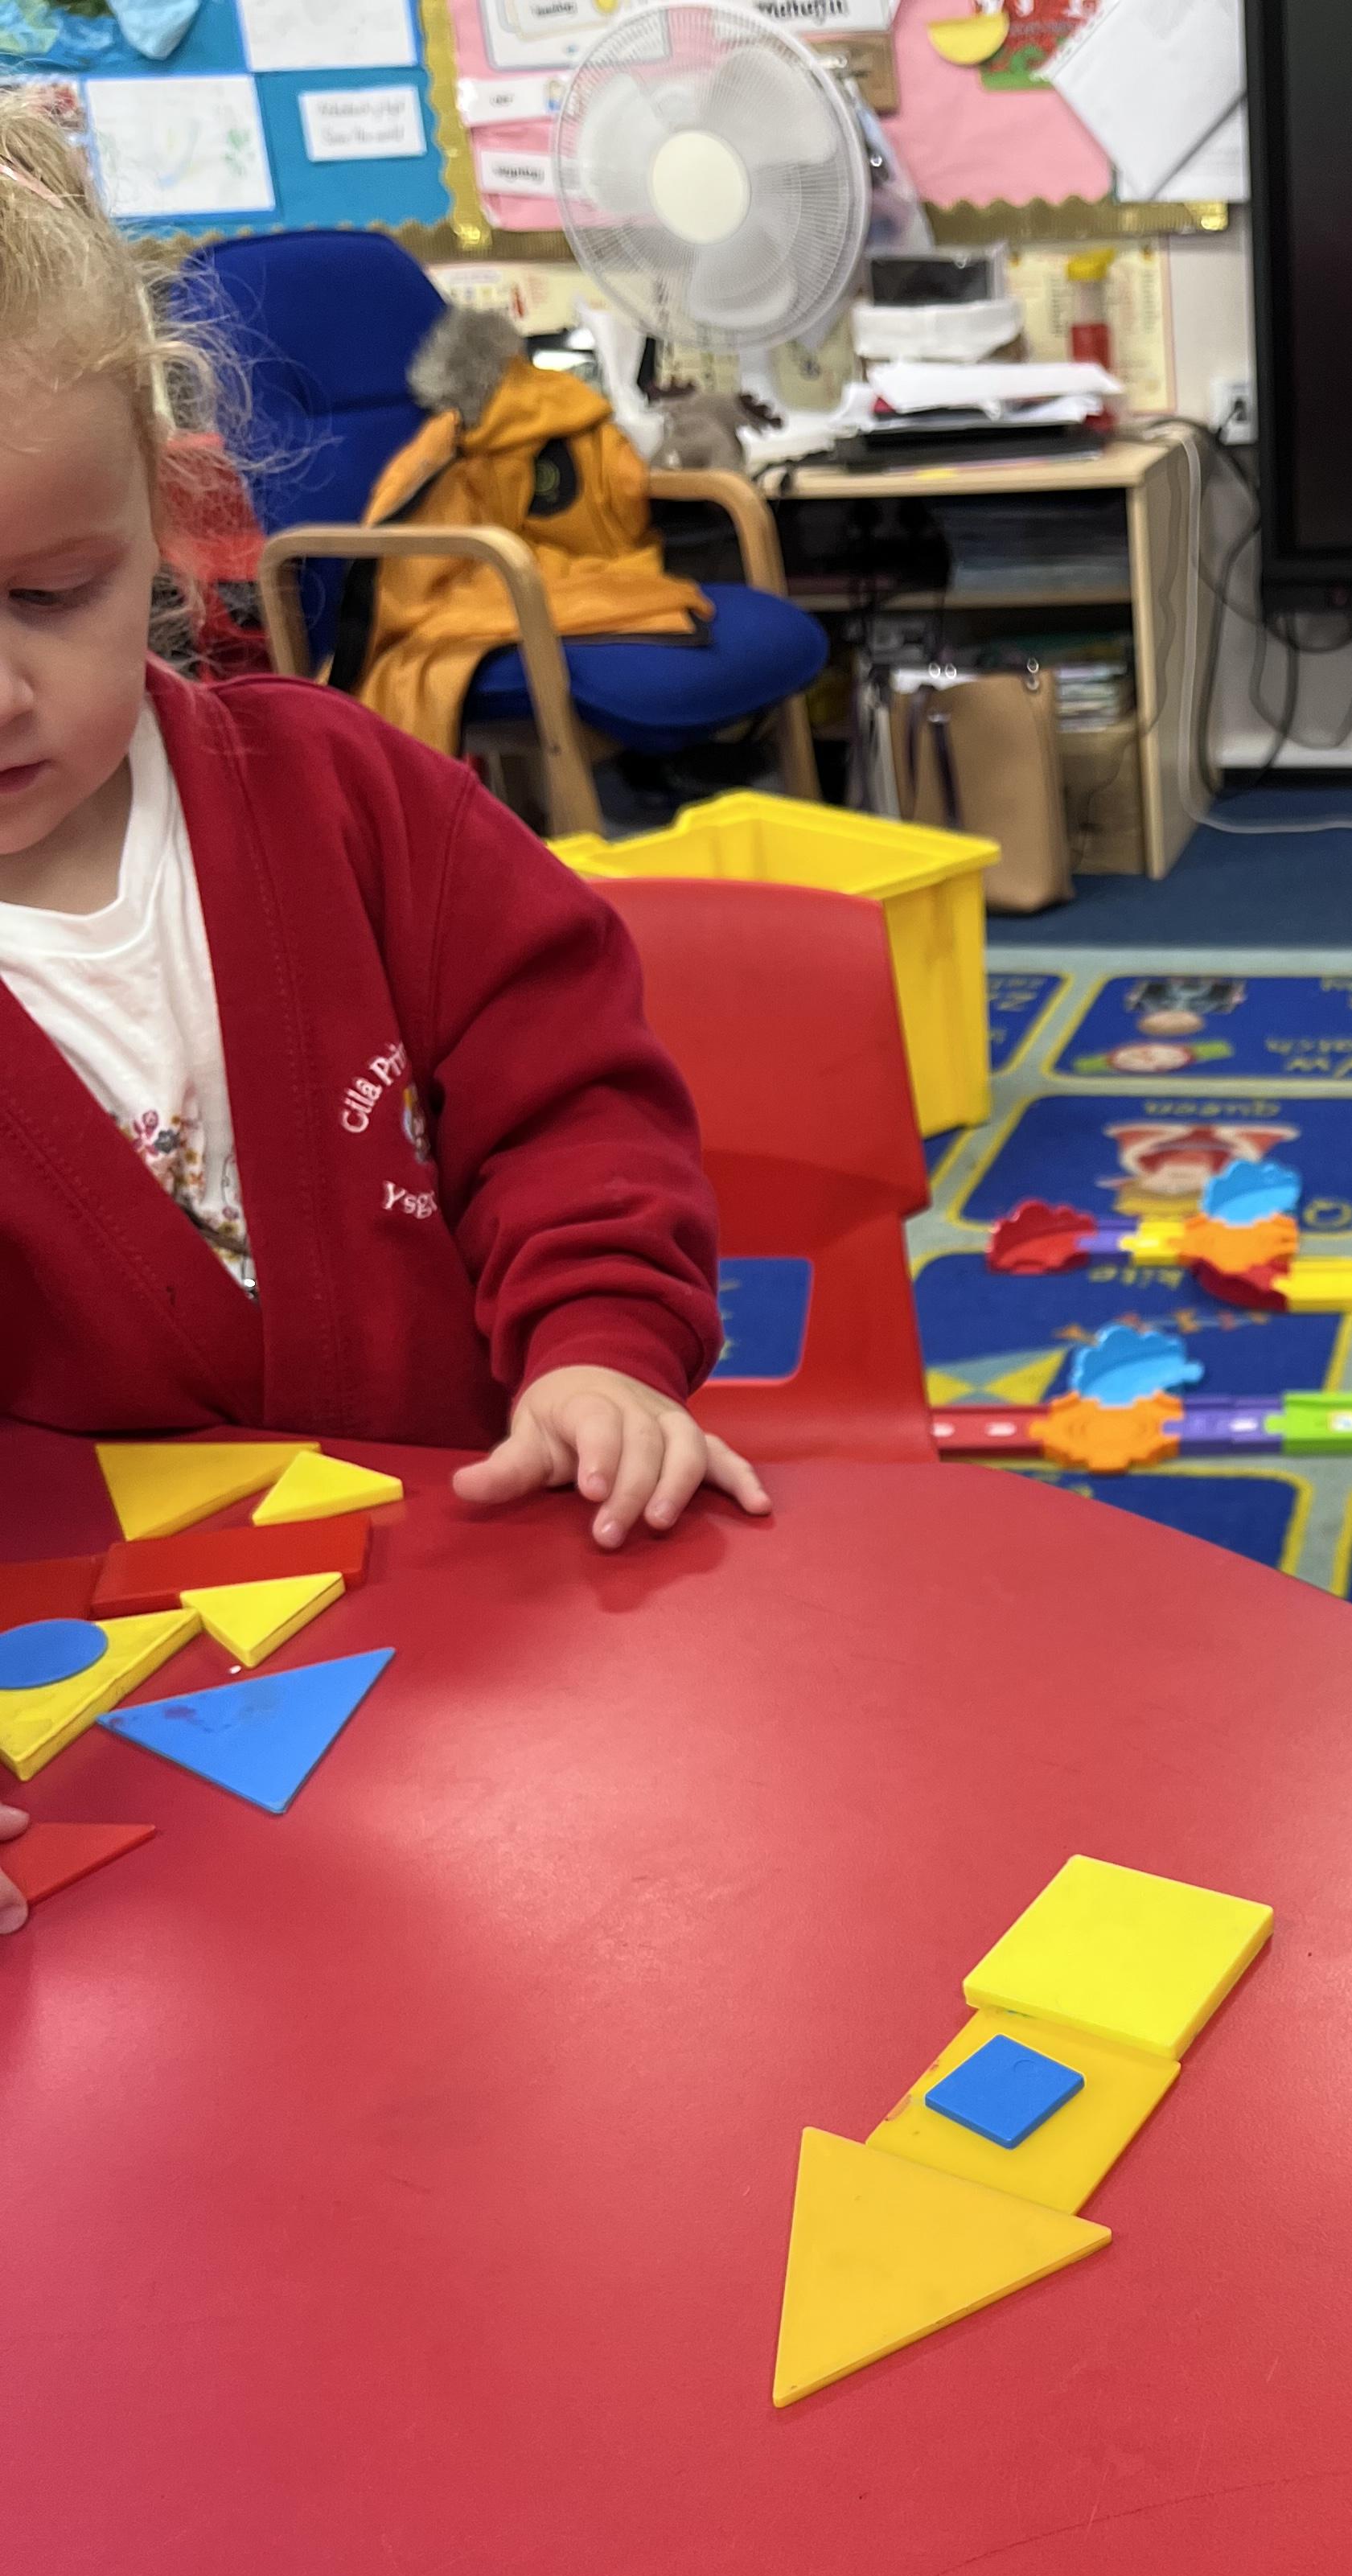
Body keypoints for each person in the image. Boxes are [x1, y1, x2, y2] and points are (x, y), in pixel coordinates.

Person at [0, 101, 766, 1539]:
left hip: (475, 1560)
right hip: (92, 1636)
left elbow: (568, 1101)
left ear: (169, 515)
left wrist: (600, 1346)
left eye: (49, 595)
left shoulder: (347, 798)